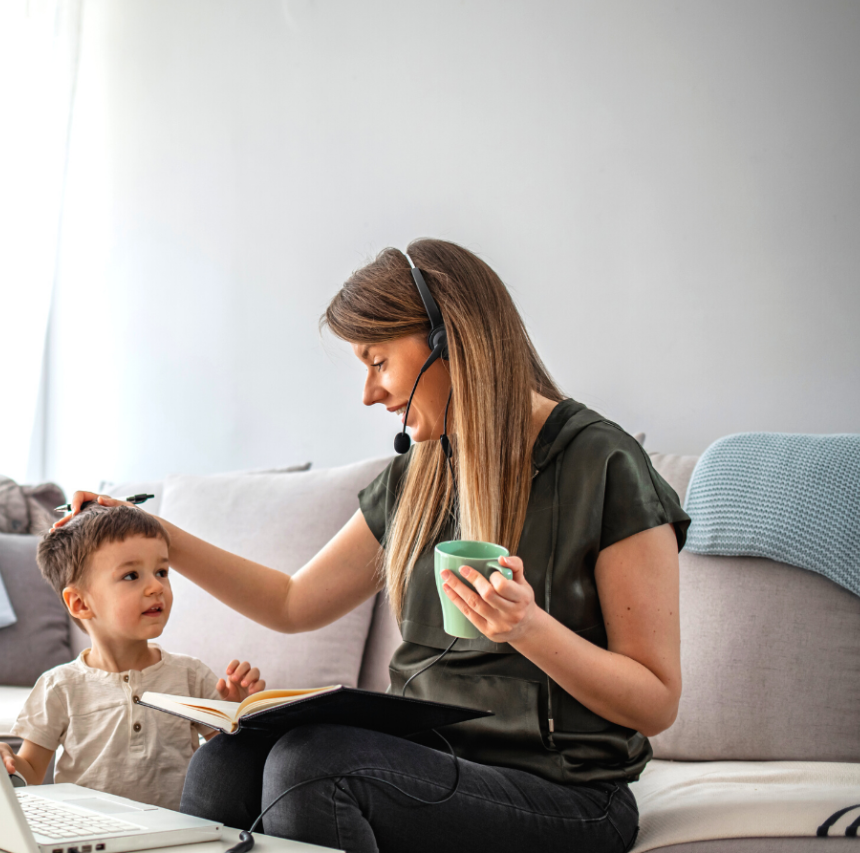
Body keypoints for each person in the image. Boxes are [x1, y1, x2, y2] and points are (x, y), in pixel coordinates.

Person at [52, 240, 689, 853]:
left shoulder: (603, 464)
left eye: (378, 361)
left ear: (449, 341)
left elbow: (656, 700)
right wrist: (160, 537)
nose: (370, 392)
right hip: (435, 765)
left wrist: (525, 627)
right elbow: (293, 602)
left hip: (569, 796)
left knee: (315, 767)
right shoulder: (423, 472)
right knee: (228, 759)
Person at [0, 505, 267, 810]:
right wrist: (5, 759)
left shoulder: (190, 675)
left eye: (162, 572)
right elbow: (30, 773)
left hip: (178, 834)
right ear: (80, 603)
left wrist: (237, 716)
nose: (156, 587)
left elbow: (225, 767)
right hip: (92, 835)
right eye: (131, 575)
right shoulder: (59, 686)